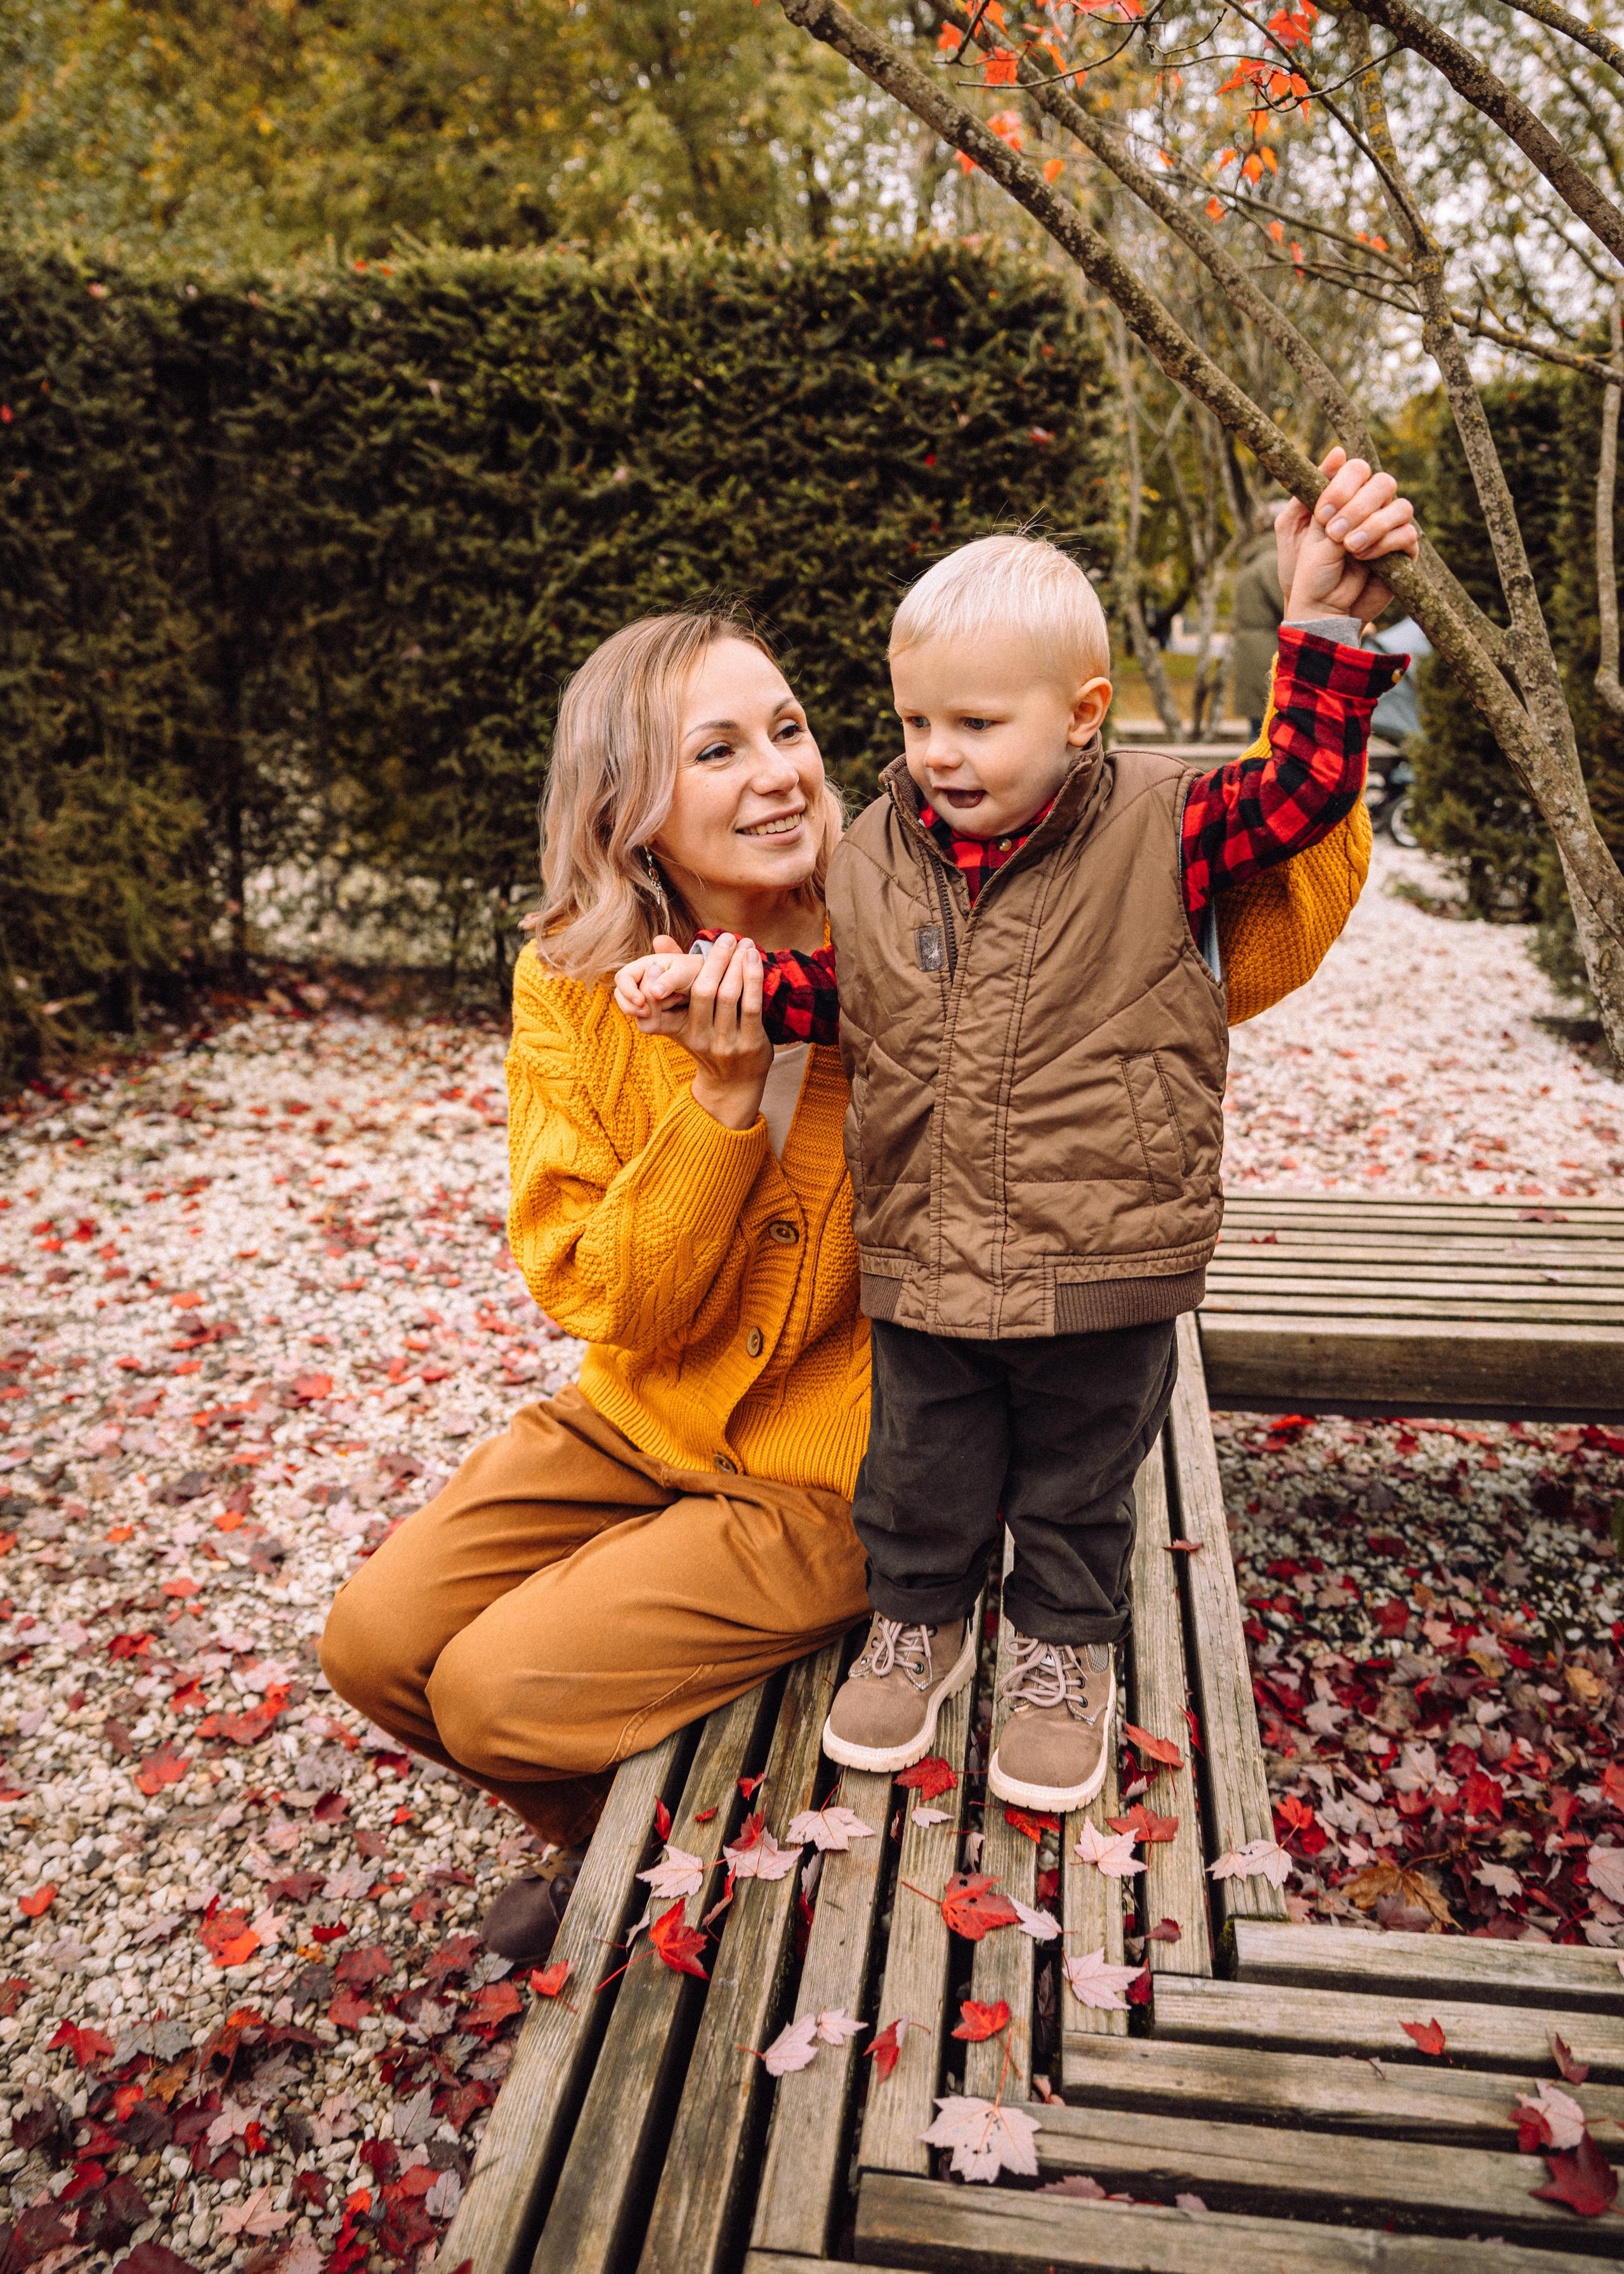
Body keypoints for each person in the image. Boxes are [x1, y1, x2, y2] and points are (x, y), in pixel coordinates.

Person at [617, 450, 1417, 1813]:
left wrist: (1322, 625)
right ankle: (917, 1620)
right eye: (916, 720)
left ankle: (1058, 1650)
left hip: (1104, 1250)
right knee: (918, 1467)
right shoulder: (875, 850)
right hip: (928, 1244)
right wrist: (712, 986)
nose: (938, 753)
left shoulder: (1163, 823)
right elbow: (846, 996)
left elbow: (1301, 789)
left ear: (1082, 714)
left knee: (1074, 1478)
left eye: (976, 723)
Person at [319, 610, 873, 1964]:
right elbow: (605, 1295)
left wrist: (1324, 638)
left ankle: (680, 1866)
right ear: (631, 816)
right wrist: (718, 1105)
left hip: (834, 1469)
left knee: (494, 1693)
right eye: (719, 750)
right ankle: (622, 1840)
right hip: (635, 1413)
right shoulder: (573, 980)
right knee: (374, 1644)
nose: (781, 772)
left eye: (788, 728)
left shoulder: (904, 923)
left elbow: (1227, 951)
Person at [1229, 500, 1287, 737]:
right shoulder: (1273, 560)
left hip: (1254, 653)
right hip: (1268, 654)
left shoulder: (1257, 557)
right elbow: (1289, 607)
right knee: (1269, 734)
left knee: (1259, 730)